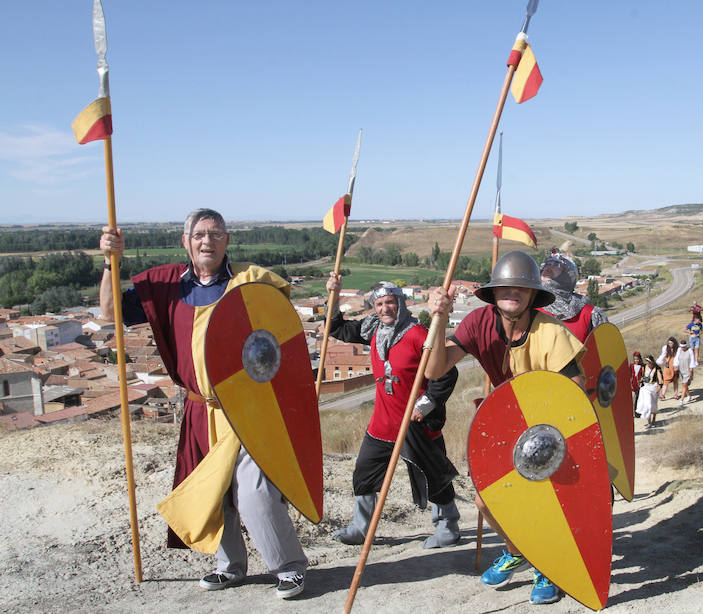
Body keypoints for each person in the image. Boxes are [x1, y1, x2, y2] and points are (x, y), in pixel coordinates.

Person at [99, 209, 308, 599]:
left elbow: (282, 328)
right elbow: (110, 314)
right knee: (212, 491)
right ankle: (230, 567)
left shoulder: (249, 283)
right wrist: (111, 263)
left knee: (254, 492)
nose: (206, 241)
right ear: (186, 242)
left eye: (215, 234)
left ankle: (290, 566)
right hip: (199, 407)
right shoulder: (167, 287)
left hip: (247, 409)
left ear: (227, 240)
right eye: (198, 234)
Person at [425, 250, 585, 606]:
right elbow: (434, 370)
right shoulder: (478, 323)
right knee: (485, 500)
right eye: (505, 288)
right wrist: (439, 319)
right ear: (494, 292)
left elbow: (576, 388)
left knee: (538, 500)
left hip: (550, 428)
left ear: (532, 293)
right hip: (509, 422)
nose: (512, 294)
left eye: (520, 288)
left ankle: (547, 566)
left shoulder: (550, 332)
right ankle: (518, 550)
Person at [324, 275, 460, 549]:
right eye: (379, 303)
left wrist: (425, 405)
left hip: (415, 424)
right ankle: (361, 528)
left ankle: (448, 527)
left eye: (390, 302)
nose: (385, 308)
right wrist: (334, 295)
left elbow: (447, 372)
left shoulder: (418, 334)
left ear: (400, 303)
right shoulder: (371, 329)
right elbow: (335, 327)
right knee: (364, 473)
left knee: (434, 474)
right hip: (383, 422)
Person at [537, 248, 608, 341]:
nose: (547, 268)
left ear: (567, 274)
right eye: (546, 264)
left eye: (555, 265)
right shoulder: (528, 311)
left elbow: (606, 351)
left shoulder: (591, 315)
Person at [636, 353, 662, 428]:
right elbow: (641, 375)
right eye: (647, 362)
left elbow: (660, 379)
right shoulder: (644, 367)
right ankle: (649, 422)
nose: (648, 364)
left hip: (654, 387)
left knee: (653, 405)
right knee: (647, 405)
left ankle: (653, 419)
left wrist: (659, 388)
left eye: (649, 362)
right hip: (646, 388)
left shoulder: (657, 369)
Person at [674, 340, 698, 405]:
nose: (682, 348)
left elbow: (692, 360)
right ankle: (689, 395)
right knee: (684, 385)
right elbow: (676, 358)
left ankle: (681, 400)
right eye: (681, 347)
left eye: (683, 347)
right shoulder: (679, 350)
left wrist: (691, 370)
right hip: (681, 370)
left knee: (684, 385)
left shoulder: (690, 351)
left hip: (688, 370)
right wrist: (676, 366)